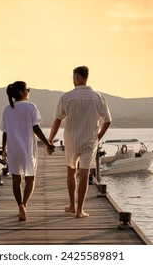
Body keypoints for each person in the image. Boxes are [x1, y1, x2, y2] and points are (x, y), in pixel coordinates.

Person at [47, 66, 111, 218]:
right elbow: (108, 120)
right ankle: (79, 210)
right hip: (90, 140)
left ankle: (71, 205)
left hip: (71, 140)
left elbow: (57, 120)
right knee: (84, 174)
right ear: (86, 78)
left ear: (76, 78)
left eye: (73, 78)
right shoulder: (98, 97)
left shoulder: (66, 97)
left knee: (71, 171)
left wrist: (50, 140)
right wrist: (99, 136)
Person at [0, 81, 56, 221]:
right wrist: (48, 143)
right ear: (21, 92)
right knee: (30, 179)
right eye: (27, 89)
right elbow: (36, 128)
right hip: (27, 149)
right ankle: (24, 204)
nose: (29, 92)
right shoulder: (30, 107)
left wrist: (3, 149)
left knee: (16, 179)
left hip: (13, 149)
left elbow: (5, 132)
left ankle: (19, 205)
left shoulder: (7, 109)